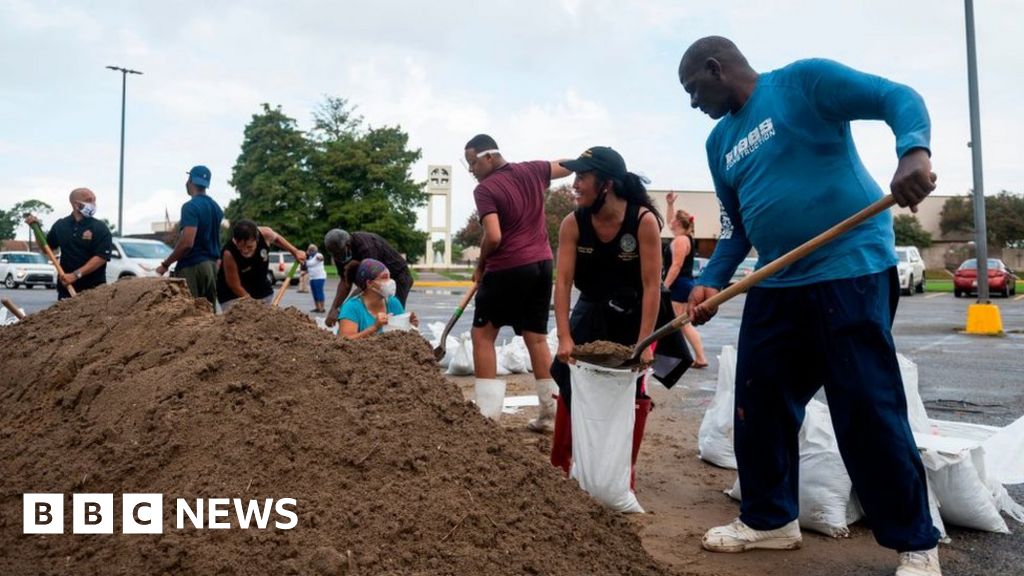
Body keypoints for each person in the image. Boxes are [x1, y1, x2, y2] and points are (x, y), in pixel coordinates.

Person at [679, 37, 941, 575]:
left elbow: (898, 96)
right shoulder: (718, 142)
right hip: (776, 284)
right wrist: (711, 281)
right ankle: (770, 521)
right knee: (759, 405)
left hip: (849, 267)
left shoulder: (802, 82)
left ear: (715, 67)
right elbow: (735, 226)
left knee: (866, 407)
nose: (692, 103)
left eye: (693, 89)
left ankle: (916, 542)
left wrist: (913, 149)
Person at [549, 147, 686, 478]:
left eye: (582, 177)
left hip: (634, 312)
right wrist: (565, 337)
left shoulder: (642, 220)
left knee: (628, 386)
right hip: (592, 307)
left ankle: (623, 473)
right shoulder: (573, 222)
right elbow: (564, 282)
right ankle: (561, 465)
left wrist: (643, 346)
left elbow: (653, 285)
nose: (575, 184)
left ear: (606, 184)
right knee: (567, 376)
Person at [463, 133, 571, 432]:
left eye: (472, 163)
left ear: (489, 157)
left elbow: (494, 236)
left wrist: (482, 262)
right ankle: (550, 414)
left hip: (508, 266)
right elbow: (565, 166)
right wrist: (585, 159)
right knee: (535, 337)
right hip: (541, 264)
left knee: (483, 336)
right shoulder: (532, 170)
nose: (471, 170)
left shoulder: (486, 189)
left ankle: (487, 416)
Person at [23, 188, 112, 300]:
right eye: (89, 200)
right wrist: (36, 229)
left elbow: (101, 257)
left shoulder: (100, 228)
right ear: (76, 204)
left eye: (94, 200)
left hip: (94, 291)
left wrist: (75, 275)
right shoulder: (61, 225)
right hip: (66, 290)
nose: (93, 204)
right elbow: (47, 249)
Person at [157, 165, 224, 307]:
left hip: (193, 267)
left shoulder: (190, 207)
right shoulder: (216, 208)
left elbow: (187, 242)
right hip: (211, 268)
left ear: (190, 181)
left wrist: (165, 265)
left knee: (189, 314)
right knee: (208, 314)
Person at [323, 229, 413, 326]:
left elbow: (369, 284)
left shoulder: (366, 247)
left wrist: (343, 309)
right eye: (334, 255)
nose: (338, 257)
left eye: (339, 253)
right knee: (370, 314)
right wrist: (334, 308)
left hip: (398, 278)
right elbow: (345, 282)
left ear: (348, 245)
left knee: (392, 316)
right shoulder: (339, 252)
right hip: (374, 281)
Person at [215, 219, 306, 312]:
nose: (245, 250)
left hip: (261, 288)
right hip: (232, 296)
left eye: (249, 247)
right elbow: (234, 285)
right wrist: (254, 306)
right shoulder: (229, 253)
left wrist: (295, 252)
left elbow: (277, 239)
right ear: (235, 240)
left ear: (257, 239)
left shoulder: (265, 234)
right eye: (240, 247)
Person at [663, 191, 709, 368]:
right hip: (683, 283)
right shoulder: (682, 237)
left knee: (682, 323)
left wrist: (665, 285)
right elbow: (669, 221)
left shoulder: (681, 240)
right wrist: (669, 205)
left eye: (673, 218)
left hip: (680, 285)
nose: (670, 221)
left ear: (678, 223)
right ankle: (695, 357)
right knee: (680, 323)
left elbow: (676, 265)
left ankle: (700, 357)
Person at [338, 258, 418, 339]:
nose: (390, 282)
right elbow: (345, 341)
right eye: (384, 278)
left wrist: (409, 325)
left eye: (389, 277)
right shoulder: (351, 307)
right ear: (369, 283)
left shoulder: (393, 303)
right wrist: (374, 328)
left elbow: (402, 337)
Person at [305, 244, 327, 314]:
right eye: (309, 250)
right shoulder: (309, 257)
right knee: (314, 293)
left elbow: (321, 258)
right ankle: (317, 307)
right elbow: (307, 264)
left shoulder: (318, 255)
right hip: (312, 277)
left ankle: (322, 308)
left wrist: (320, 258)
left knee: (319, 292)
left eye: (312, 250)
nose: (311, 251)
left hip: (319, 277)